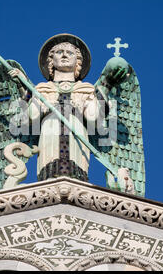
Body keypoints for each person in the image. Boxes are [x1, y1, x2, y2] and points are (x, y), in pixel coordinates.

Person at [7, 34, 99, 182]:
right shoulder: (42, 89)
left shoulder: (85, 89)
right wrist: (28, 91)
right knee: (50, 168)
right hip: (49, 130)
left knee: (76, 173)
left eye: (70, 53)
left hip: (77, 130)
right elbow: (31, 117)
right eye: (59, 52)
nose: (64, 55)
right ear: (51, 60)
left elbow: (93, 118)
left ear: (78, 62)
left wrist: (89, 99)